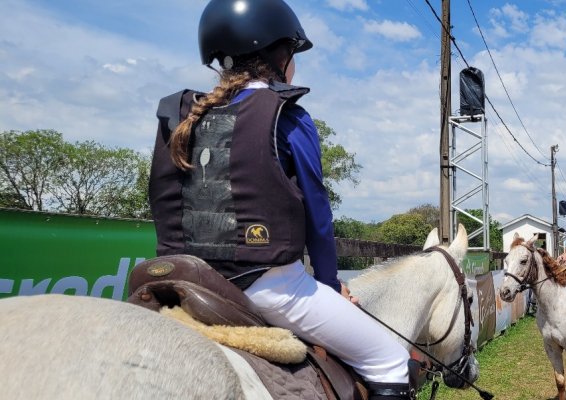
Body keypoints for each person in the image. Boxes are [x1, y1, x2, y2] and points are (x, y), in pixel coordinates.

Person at [147, 0, 411, 397]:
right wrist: (329, 283)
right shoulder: (288, 116)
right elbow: (317, 215)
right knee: (388, 359)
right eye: (293, 54)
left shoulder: (182, 117)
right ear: (279, 54)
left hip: (181, 276)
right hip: (268, 287)